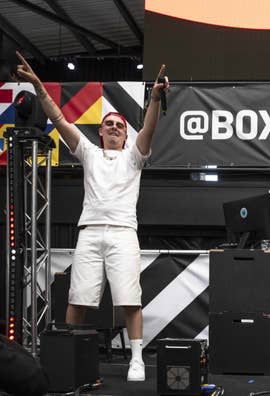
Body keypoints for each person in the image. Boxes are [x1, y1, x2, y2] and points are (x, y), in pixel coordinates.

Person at [15, 51, 169, 382]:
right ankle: (69, 357)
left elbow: (150, 128)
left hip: (123, 234)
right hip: (89, 233)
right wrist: (39, 86)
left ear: (126, 136)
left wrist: (155, 98)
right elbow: (58, 119)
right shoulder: (88, 152)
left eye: (119, 126)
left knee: (130, 298)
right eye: (108, 125)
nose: (114, 128)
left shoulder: (134, 157)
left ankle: (137, 360)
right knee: (78, 298)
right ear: (100, 132)